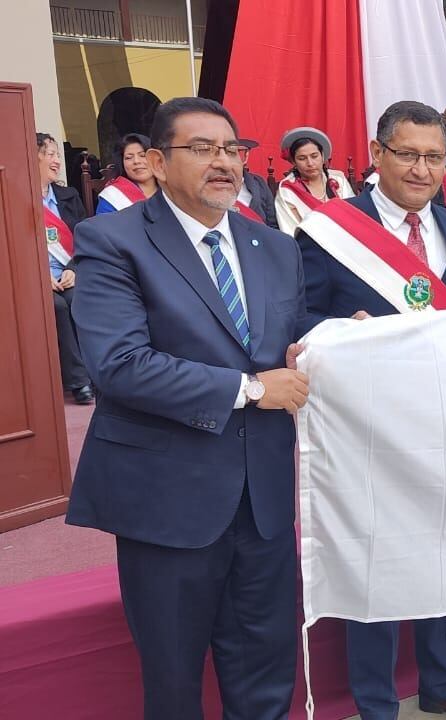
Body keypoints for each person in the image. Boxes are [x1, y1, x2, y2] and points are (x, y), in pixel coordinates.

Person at [65, 97, 310, 719]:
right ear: (154, 161)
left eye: (233, 149)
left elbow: (289, 341)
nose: (223, 163)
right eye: (201, 149)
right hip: (168, 500)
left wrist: (347, 336)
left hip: (263, 502)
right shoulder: (112, 241)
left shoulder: (273, 247)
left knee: (266, 670)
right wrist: (253, 390)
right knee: (174, 681)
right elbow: (119, 365)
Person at [295, 101, 446, 720]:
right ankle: (375, 701)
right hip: (367, 427)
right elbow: (296, 317)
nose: (422, 169)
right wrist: (341, 329)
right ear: (378, 153)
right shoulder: (330, 227)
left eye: (434, 157)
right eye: (408, 154)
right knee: (377, 564)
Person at [37, 132, 93, 404]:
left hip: (69, 273)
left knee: (77, 299)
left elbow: (85, 237)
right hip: (36, 277)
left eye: (57, 154)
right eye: (50, 154)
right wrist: (39, 274)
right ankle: (79, 381)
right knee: (56, 307)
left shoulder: (67, 195)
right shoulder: (15, 198)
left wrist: (74, 268)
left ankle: (94, 371)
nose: (57, 160)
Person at [274, 126, 355, 236]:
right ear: (293, 162)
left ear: (322, 156)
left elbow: (353, 216)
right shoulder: (287, 190)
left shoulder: (338, 179)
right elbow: (291, 232)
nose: (310, 163)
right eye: (302, 158)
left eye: (314, 156)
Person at [95, 133, 158, 214]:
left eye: (142, 155)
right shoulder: (112, 196)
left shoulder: (171, 189)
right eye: (129, 157)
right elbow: (103, 225)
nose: (136, 161)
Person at [235, 138, 278, 228]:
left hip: (261, 237)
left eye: (239, 152)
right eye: (230, 152)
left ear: (246, 156)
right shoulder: (214, 183)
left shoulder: (258, 182)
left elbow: (272, 221)